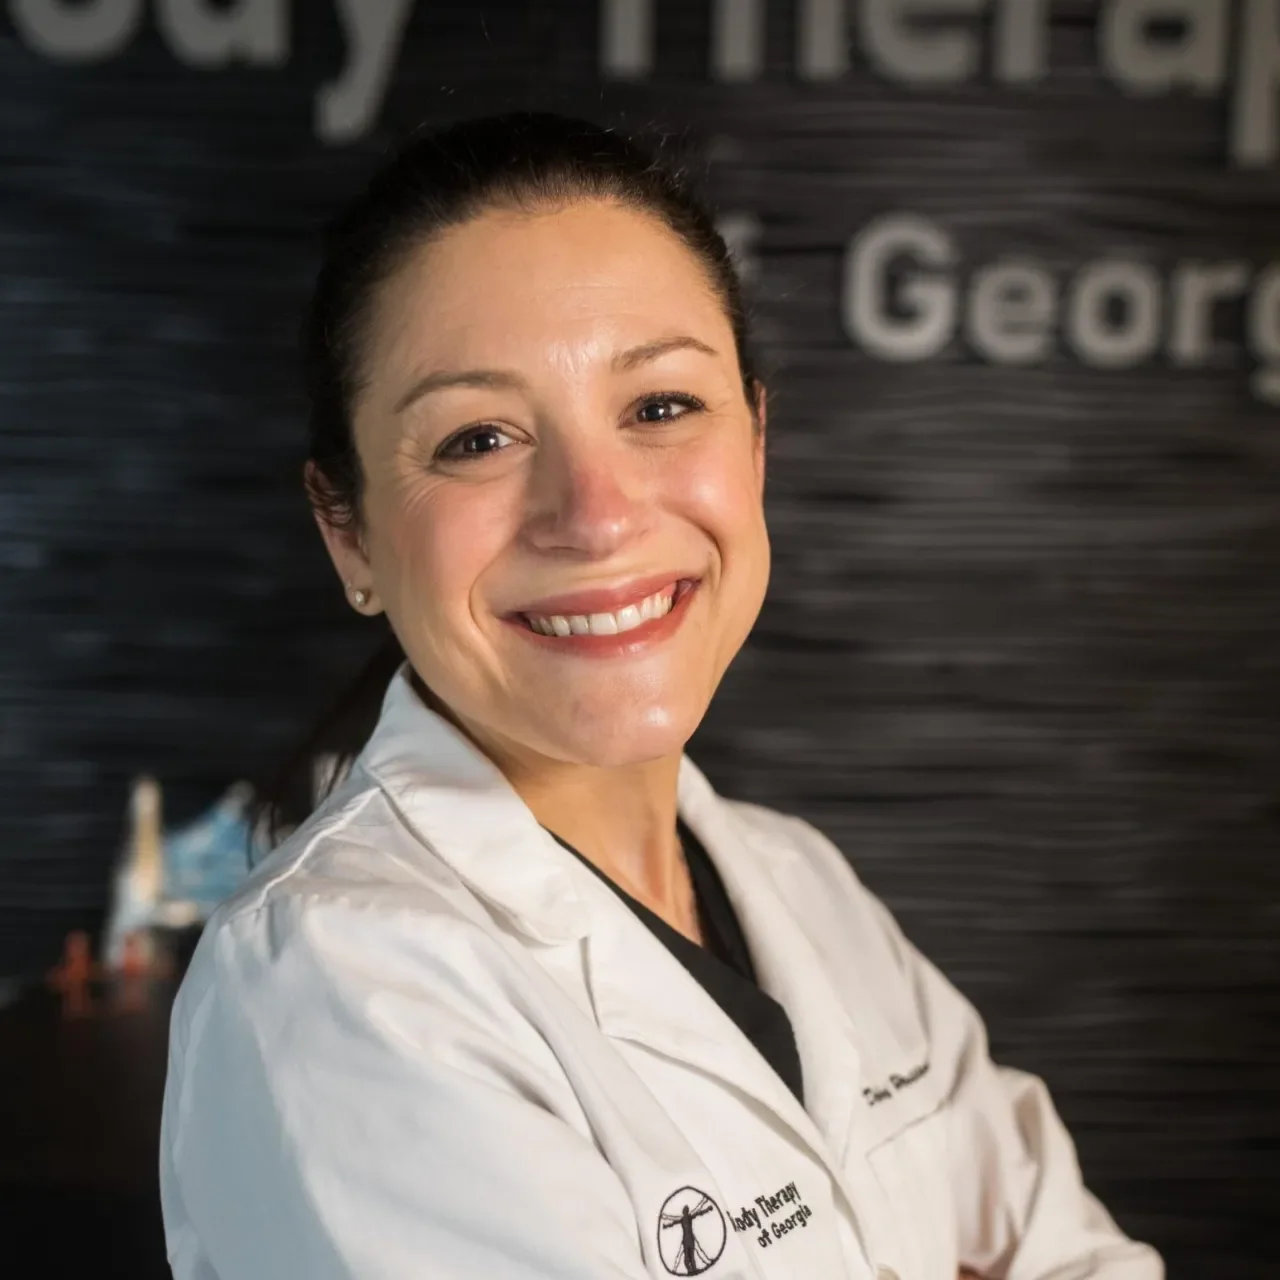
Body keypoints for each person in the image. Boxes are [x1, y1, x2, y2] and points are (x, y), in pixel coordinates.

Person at [158, 112, 1163, 1280]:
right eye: (478, 437)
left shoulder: (801, 884)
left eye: (658, 407)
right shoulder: (330, 982)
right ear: (349, 533)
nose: (594, 514)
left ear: (756, 442)